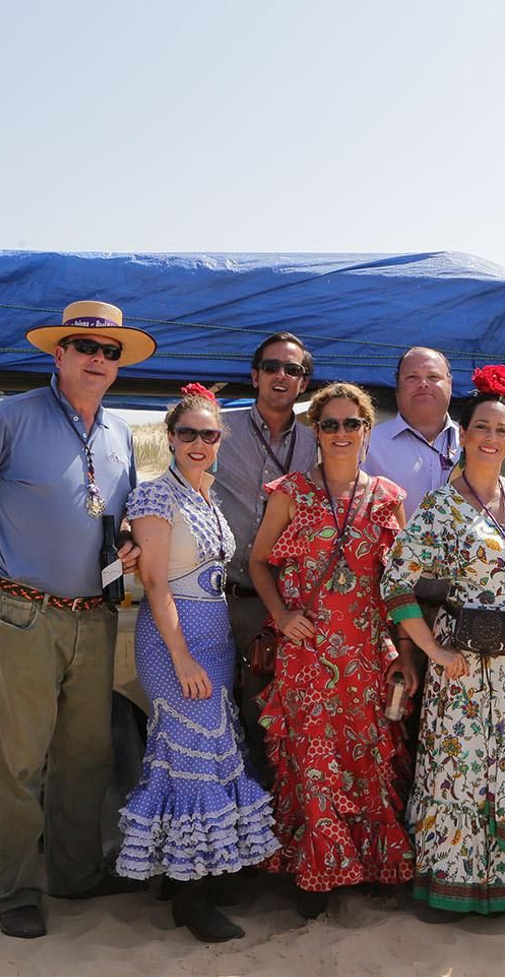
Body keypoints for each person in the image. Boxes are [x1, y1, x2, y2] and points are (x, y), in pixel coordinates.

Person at [0, 300, 150, 940]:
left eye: (111, 352)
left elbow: (120, 511)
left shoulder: (119, 433)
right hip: (27, 613)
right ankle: (17, 890)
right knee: (19, 758)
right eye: (86, 347)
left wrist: (129, 540)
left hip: (94, 614)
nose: (99, 360)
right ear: (59, 354)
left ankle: (75, 874)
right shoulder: (13, 417)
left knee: (86, 754)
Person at [383, 365, 505, 919]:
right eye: (483, 428)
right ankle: (465, 890)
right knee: (465, 772)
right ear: (463, 436)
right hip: (467, 667)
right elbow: (397, 584)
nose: (494, 439)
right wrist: (435, 651)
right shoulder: (441, 509)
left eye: (503, 430)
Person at [114, 384, 280, 942]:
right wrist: (182, 656)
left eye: (209, 434)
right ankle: (190, 896)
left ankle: (193, 878)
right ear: (170, 438)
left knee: (210, 755)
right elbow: (156, 581)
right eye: (188, 434)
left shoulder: (205, 495)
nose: (199, 443)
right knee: (190, 759)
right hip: (174, 642)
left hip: (213, 636)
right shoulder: (157, 497)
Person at [249, 382, 415, 919]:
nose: (341, 433)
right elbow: (258, 562)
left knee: (366, 758)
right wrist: (280, 615)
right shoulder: (291, 492)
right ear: (314, 431)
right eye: (329, 424)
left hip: (367, 652)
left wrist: (405, 654)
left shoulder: (388, 498)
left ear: (367, 432)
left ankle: (366, 866)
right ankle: (317, 871)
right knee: (313, 761)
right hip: (307, 650)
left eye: (351, 424)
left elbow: (401, 585)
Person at [215, 332, 320, 767]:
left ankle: (265, 819)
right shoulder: (217, 428)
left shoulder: (320, 441)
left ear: (303, 383)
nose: (281, 375)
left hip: (280, 604)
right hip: (216, 598)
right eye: (272, 366)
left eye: (292, 369)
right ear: (255, 375)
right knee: (211, 711)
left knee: (265, 716)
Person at [364, 346, 460, 518]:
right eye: (412, 377)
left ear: (450, 384)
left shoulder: (474, 441)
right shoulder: (368, 445)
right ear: (397, 388)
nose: (423, 384)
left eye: (433, 377)